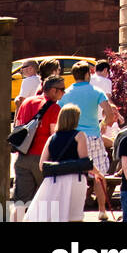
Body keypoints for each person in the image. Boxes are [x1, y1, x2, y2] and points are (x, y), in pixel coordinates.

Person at [24, 102, 92, 223]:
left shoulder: (52, 138)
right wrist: (97, 174)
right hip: (75, 179)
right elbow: (84, 161)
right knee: (75, 217)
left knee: (54, 216)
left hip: (54, 180)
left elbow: (41, 165)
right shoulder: (79, 135)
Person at [66, 61, 115, 221]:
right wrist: (103, 124)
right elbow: (109, 114)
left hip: (73, 137)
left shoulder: (66, 93)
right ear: (87, 74)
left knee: (75, 175)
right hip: (93, 136)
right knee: (99, 175)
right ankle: (102, 210)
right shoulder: (96, 91)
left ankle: (75, 211)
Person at [12, 75, 67, 210]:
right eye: (62, 89)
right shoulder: (54, 108)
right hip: (42, 159)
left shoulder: (26, 102)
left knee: (20, 203)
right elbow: (54, 136)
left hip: (22, 156)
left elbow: (17, 124)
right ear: (53, 90)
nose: (64, 92)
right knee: (45, 202)